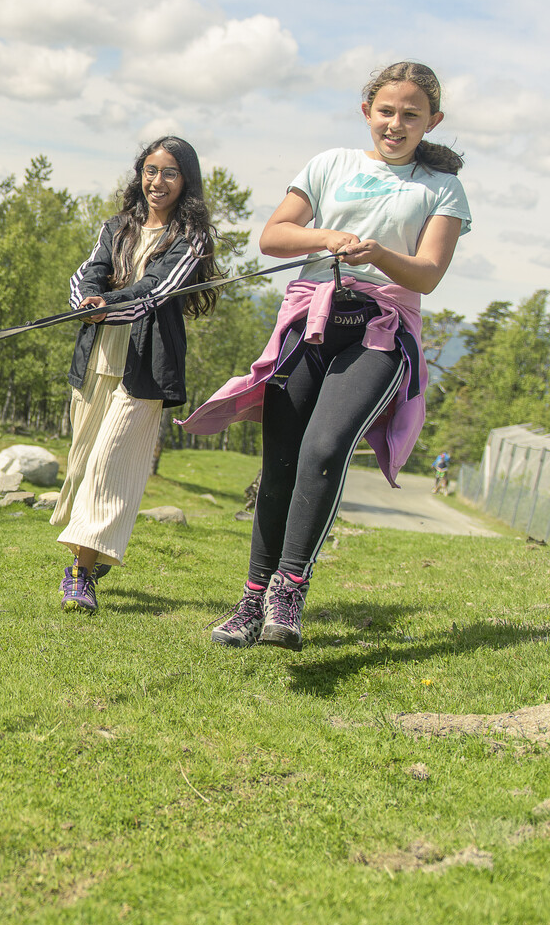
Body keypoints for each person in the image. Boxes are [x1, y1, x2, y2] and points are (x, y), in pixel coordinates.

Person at [182, 62, 471, 648]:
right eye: (386, 111)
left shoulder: (443, 190)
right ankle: (251, 600)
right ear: (367, 112)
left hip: (380, 331)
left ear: (432, 121)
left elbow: (429, 273)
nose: (396, 123)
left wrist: (378, 254)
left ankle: (289, 594)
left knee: (324, 447)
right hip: (309, 320)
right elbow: (274, 235)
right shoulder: (329, 165)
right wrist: (330, 239)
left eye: (411, 115)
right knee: (280, 463)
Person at [50, 135, 219, 613]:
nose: (156, 181)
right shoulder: (116, 226)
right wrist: (86, 303)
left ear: (186, 181)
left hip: (145, 367)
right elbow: (88, 273)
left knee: (108, 465)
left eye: (168, 172)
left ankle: (79, 576)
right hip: (97, 359)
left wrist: (107, 306)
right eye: (149, 170)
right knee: (83, 465)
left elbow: (154, 291)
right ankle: (93, 552)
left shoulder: (191, 239)